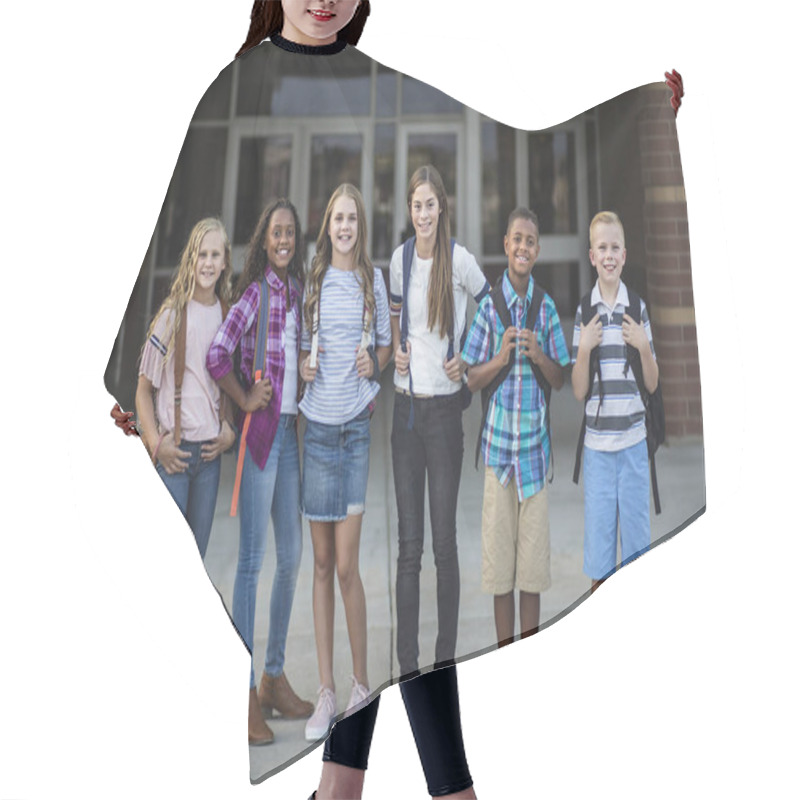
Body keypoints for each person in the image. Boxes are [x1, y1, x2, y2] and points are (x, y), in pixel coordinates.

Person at [206, 198, 313, 746]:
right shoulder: (254, 294)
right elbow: (217, 354)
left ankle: (273, 676)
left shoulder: (297, 292)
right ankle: (243, 689)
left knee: (291, 556)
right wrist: (245, 397)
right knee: (250, 563)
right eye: (276, 232)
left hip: (289, 439)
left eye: (291, 232)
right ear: (264, 239)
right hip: (260, 442)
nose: (284, 239)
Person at [298, 183, 392, 741]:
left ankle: (361, 685)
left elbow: (384, 347)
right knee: (321, 563)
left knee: (348, 566)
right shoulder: (312, 281)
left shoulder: (370, 281)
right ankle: (326, 692)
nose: (345, 227)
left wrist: (373, 361)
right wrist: (304, 371)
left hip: (355, 431)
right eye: (337, 218)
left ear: (361, 226)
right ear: (327, 225)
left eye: (352, 219)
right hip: (316, 432)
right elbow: (295, 348)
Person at [389, 164, 490, 678]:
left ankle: (442, 659)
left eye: (430, 204)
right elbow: (395, 318)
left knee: (444, 544)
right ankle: (408, 668)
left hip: (446, 415)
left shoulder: (460, 261)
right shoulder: (399, 259)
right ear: (409, 210)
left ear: (441, 207)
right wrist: (397, 352)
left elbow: (491, 306)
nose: (423, 213)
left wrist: (468, 357)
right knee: (410, 550)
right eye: (416, 205)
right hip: (406, 415)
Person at [462, 208, 570, 646]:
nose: (523, 247)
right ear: (505, 245)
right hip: (498, 460)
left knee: (531, 573)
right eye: (516, 239)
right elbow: (470, 379)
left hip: (534, 459)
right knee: (500, 570)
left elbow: (559, 378)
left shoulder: (545, 307)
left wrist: (540, 354)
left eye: (530, 241)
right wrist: (501, 358)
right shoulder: (490, 308)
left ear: (537, 251)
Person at [135, 218, 236, 560]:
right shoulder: (172, 316)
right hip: (174, 456)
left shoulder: (227, 315)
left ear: (225, 263)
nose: (208, 262)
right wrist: (155, 443)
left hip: (209, 458)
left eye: (215, 255)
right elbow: (142, 391)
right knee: (167, 562)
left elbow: (230, 385)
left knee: (196, 563)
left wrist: (228, 429)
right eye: (201, 254)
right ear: (191, 260)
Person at [571, 210, 659, 593]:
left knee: (638, 556)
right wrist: (584, 351)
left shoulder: (636, 309)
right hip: (599, 453)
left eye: (615, 248)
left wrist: (643, 347)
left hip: (634, 448)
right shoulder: (584, 313)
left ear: (624, 255)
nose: (609, 255)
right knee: (600, 561)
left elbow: (652, 385)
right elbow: (578, 391)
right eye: (601, 247)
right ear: (592, 256)